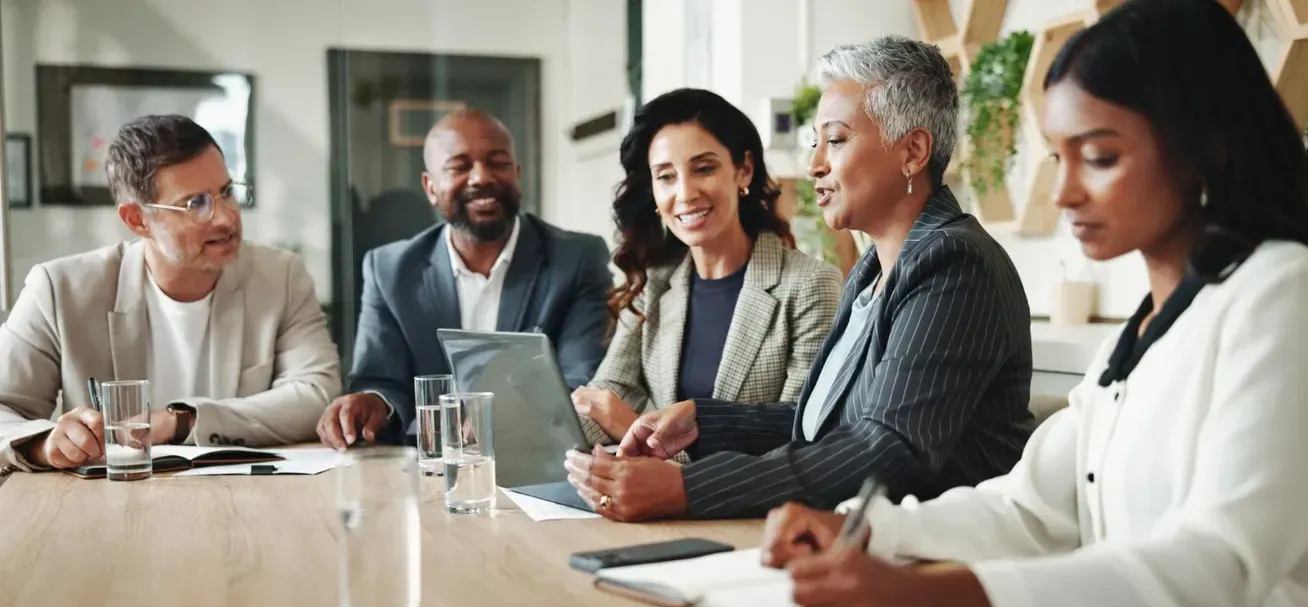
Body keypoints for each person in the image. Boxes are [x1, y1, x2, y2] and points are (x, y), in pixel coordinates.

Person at [760, 2, 1308, 607]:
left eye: (1098, 157)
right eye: (1058, 157)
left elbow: (1219, 565)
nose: (1063, 192)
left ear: (1202, 144)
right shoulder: (1144, 329)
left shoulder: (1283, 290)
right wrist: (861, 530)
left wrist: (941, 601)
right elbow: (1028, 509)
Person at [565, 36, 1033, 521]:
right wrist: (702, 421)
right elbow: (823, 423)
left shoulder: (954, 263)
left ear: (912, 151)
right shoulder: (873, 271)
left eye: (835, 140)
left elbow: (888, 450)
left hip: (938, 560)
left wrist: (687, 487)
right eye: (816, 142)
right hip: (861, 542)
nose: (814, 165)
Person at [0, 114, 341, 474]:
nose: (226, 218)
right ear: (137, 219)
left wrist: (181, 422)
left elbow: (316, 394)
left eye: (226, 192)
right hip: (109, 507)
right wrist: (44, 443)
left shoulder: (280, 275)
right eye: (196, 204)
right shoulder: (60, 289)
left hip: (247, 501)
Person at [318, 108, 613, 449]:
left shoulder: (576, 259)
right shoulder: (390, 270)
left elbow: (582, 378)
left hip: (540, 461)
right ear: (430, 187)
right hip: (426, 467)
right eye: (460, 166)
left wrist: (504, 417)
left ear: (517, 174)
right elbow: (381, 381)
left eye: (497, 162)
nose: (481, 177)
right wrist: (370, 404)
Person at [571, 88, 843, 448]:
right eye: (666, 176)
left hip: (743, 502)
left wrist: (632, 430)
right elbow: (608, 394)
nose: (685, 193)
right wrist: (525, 430)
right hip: (643, 497)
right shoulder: (654, 281)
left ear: (743, 171)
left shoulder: (810, 285)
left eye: (703, 169)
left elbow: (799, 435)